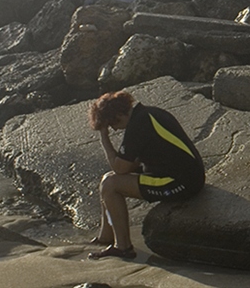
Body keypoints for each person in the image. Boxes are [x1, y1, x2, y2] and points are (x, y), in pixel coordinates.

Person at [86, 90, 205, 260]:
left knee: (111, 184)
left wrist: (104, 138)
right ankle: (106, 237)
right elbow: (130, 164)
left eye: (111, 124)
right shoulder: (148, 114)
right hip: (189, 175)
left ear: (118, 115)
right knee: (108, 179)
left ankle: (123, 248)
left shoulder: (138, 125)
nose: (113, 128)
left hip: (181, 182)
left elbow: (120, 167)